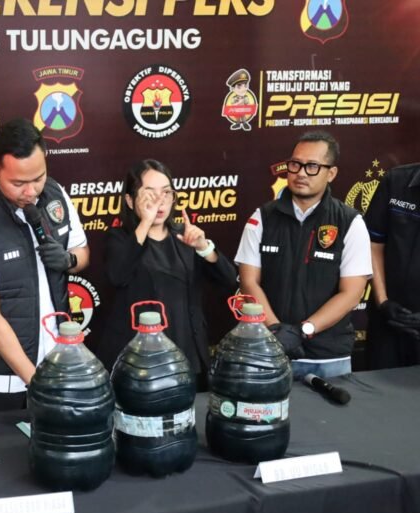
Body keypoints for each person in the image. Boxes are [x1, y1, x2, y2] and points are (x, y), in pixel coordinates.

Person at [0, 118, 89, 414]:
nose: (31, 192)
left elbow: (82, 252)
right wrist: (36, 382)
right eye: (18, 183)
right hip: (0, 380)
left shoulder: (55, 194)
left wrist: (69, 260)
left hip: (56, 360)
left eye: (38, 178)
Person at [235, 130, 371, 379]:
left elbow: (352, 293)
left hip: (329, 358)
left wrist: (303, 330)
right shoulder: (261, 217)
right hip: (268, 352)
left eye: (312, 166)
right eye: (295, 164)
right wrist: (275, 331)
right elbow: (248, 281)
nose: (300, 173)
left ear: (331, 173)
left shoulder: (350, 222)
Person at [96, 159, 237, 389]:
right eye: (149, 194)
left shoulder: (186, 236)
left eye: (166, 193)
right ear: (130, 200)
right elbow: (118, 275)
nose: (159, 201)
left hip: (189, 355)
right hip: (141, 363)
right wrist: (146, 222)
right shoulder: (119, 238)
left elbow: (229, 280)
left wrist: (204, 248)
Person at [363, 162, 420, 368]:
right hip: (388, 320)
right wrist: (383, 302)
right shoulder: (396, 180)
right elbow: (373, 243)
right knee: (378, 385)